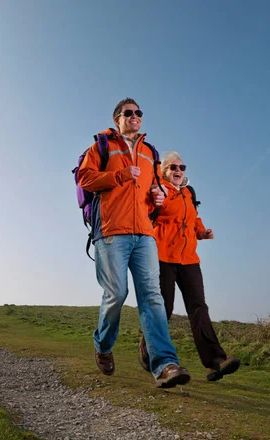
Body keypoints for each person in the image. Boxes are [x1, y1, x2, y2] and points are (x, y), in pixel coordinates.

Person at [78, 98, 190, 388]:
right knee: (116, 293)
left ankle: (165, 365)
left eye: (139, 112)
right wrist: (118, 176)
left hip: (144, 233)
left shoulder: (149, 152)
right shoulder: (102, 145)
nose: (135, 116)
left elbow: (153, 187)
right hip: (111, 231)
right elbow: (85, 178)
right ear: (118, 118)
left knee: (152, 296)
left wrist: (158, 196)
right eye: (129, 112)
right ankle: (103, 346)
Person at [139, 150, 240, 382]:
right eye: (173, 167)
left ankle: (215, 362)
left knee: (199, 307)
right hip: (163, 255)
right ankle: (147, 349)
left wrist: (201, 232)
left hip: (189, 259)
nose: (178, 171)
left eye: (182, 168)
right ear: (164, 170)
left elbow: (193, 219)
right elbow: (147, 214)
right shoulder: (158, 190)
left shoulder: (188, 193)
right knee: (163, 309)